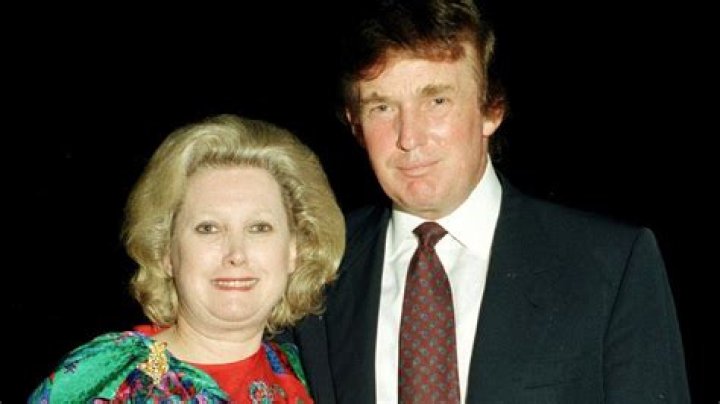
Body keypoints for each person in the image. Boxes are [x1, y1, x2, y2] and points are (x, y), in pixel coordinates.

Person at [290, 0, 690, 402]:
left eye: (437, 101)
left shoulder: (609, 267)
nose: (409, 137)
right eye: (382, 107)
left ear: (492, 109)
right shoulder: (314, 268)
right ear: (356, 125)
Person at [29, 114, 345, 402]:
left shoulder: (309, 375)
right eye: (208, 228)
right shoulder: (106, 377)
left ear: (294, 250)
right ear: (166, 252)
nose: (236, 254)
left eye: (259, 228)